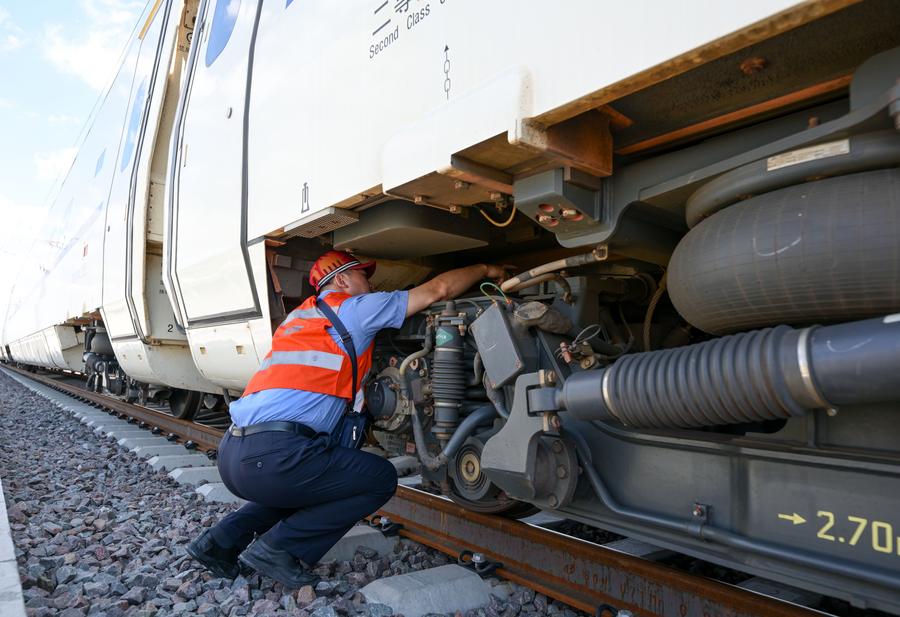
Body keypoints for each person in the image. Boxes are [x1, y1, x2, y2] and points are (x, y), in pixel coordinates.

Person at [187, 250, 506, 587]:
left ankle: (217, 543)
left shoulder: (299, 318)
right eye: (363, 276)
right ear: (342, 279)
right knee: (379, 479)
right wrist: (487, 267)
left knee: (311, 484)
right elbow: (438, 290)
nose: (370, 284)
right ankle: (278, 549)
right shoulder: (354, 308)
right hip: (275, 456)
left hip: (234, 454)